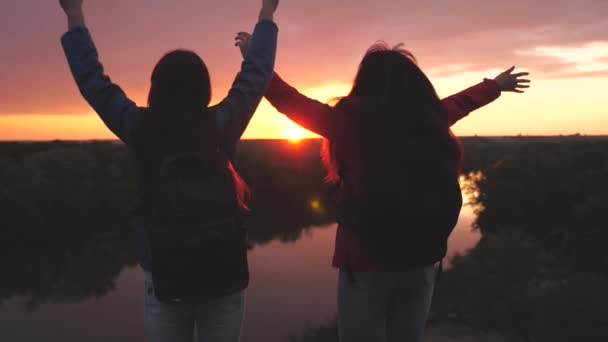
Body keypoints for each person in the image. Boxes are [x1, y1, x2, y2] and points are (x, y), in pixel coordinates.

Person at [235, 33, 529, 342]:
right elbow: (462, 102)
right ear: (416, 85)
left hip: (363, 262)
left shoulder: (346, 123)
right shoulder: (431, 119)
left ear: (364, 83)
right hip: (422, 258)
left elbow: (287, 99)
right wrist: (496, 85)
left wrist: (255, 58)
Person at [58, 0, 279, 341]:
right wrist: (267, 13)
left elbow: (93, 82)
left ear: (155, 88)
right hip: (223, 275)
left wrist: (74, 14)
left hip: (164, 274)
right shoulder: (221, 123)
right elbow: (256, 75)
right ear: (204, 88)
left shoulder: (139, 126)